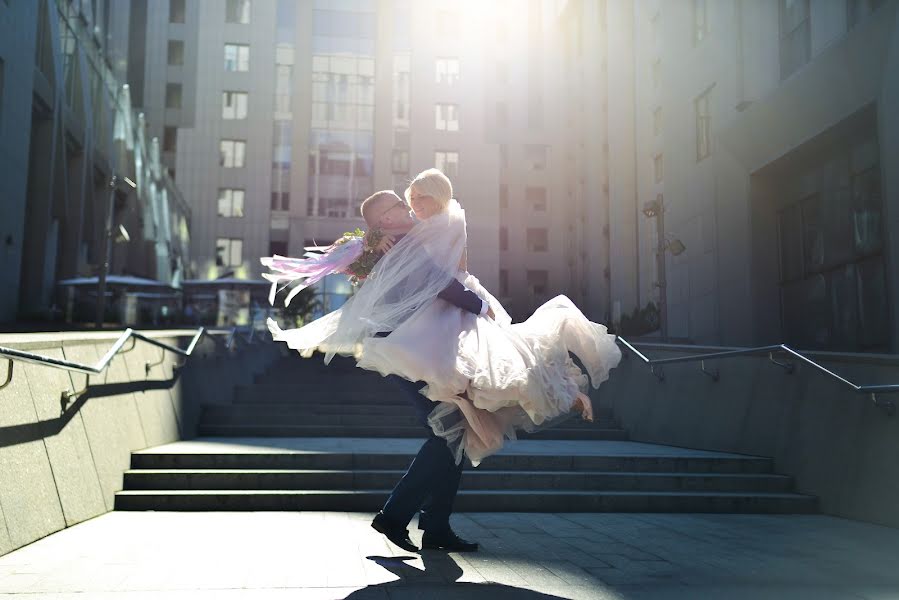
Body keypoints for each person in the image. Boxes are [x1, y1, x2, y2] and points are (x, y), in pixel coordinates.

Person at [263, 168, 620, 551]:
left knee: (458, 430)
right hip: (411, 348)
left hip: (428, 344)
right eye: (402, 203)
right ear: (385, 218)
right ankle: (397, 515)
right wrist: (478, 303)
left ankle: (434, 527)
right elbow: (433, 281)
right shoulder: (387, 243)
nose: (408, 206)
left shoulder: (414, 234)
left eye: (414, 200)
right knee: (449, 428)